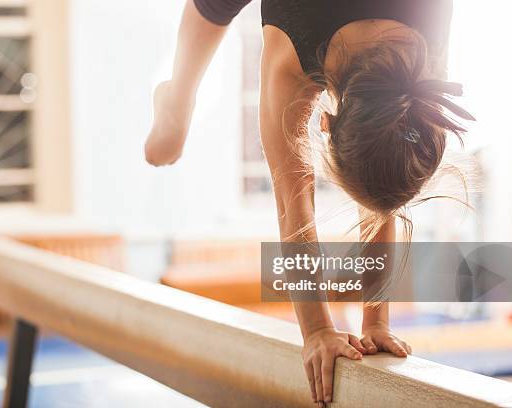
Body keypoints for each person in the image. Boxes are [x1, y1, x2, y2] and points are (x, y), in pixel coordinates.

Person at [145, 0, 474, 406]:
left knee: (382, 157)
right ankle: (177, 101)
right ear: (324, 124)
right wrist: (317, 330)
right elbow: (293, 205)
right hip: (304, 13)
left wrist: (377, 320)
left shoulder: (424, 61)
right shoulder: (290, 58)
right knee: (170, 128)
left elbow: (385, 180)